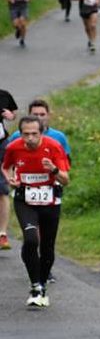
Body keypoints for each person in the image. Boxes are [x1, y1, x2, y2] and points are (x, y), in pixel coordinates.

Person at [1, 116, 70, 308]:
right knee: (31, 240)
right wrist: (11, 179)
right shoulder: (13, 147)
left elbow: (66, 180)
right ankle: (35, 287)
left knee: (47, 246)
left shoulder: (54, 147)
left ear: (41, 133)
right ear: (20, 133)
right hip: (25, 200)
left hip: (50, 200)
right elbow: (5, 167)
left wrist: (53, 169)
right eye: (26, 134)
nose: (30, 138)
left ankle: (42, 285)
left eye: (34, 134)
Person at [0, 89, 18, 251]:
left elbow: (14, 114)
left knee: (2, 189)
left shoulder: (3, 95)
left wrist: (11, 116)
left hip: (1, 145)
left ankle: (2, 234)